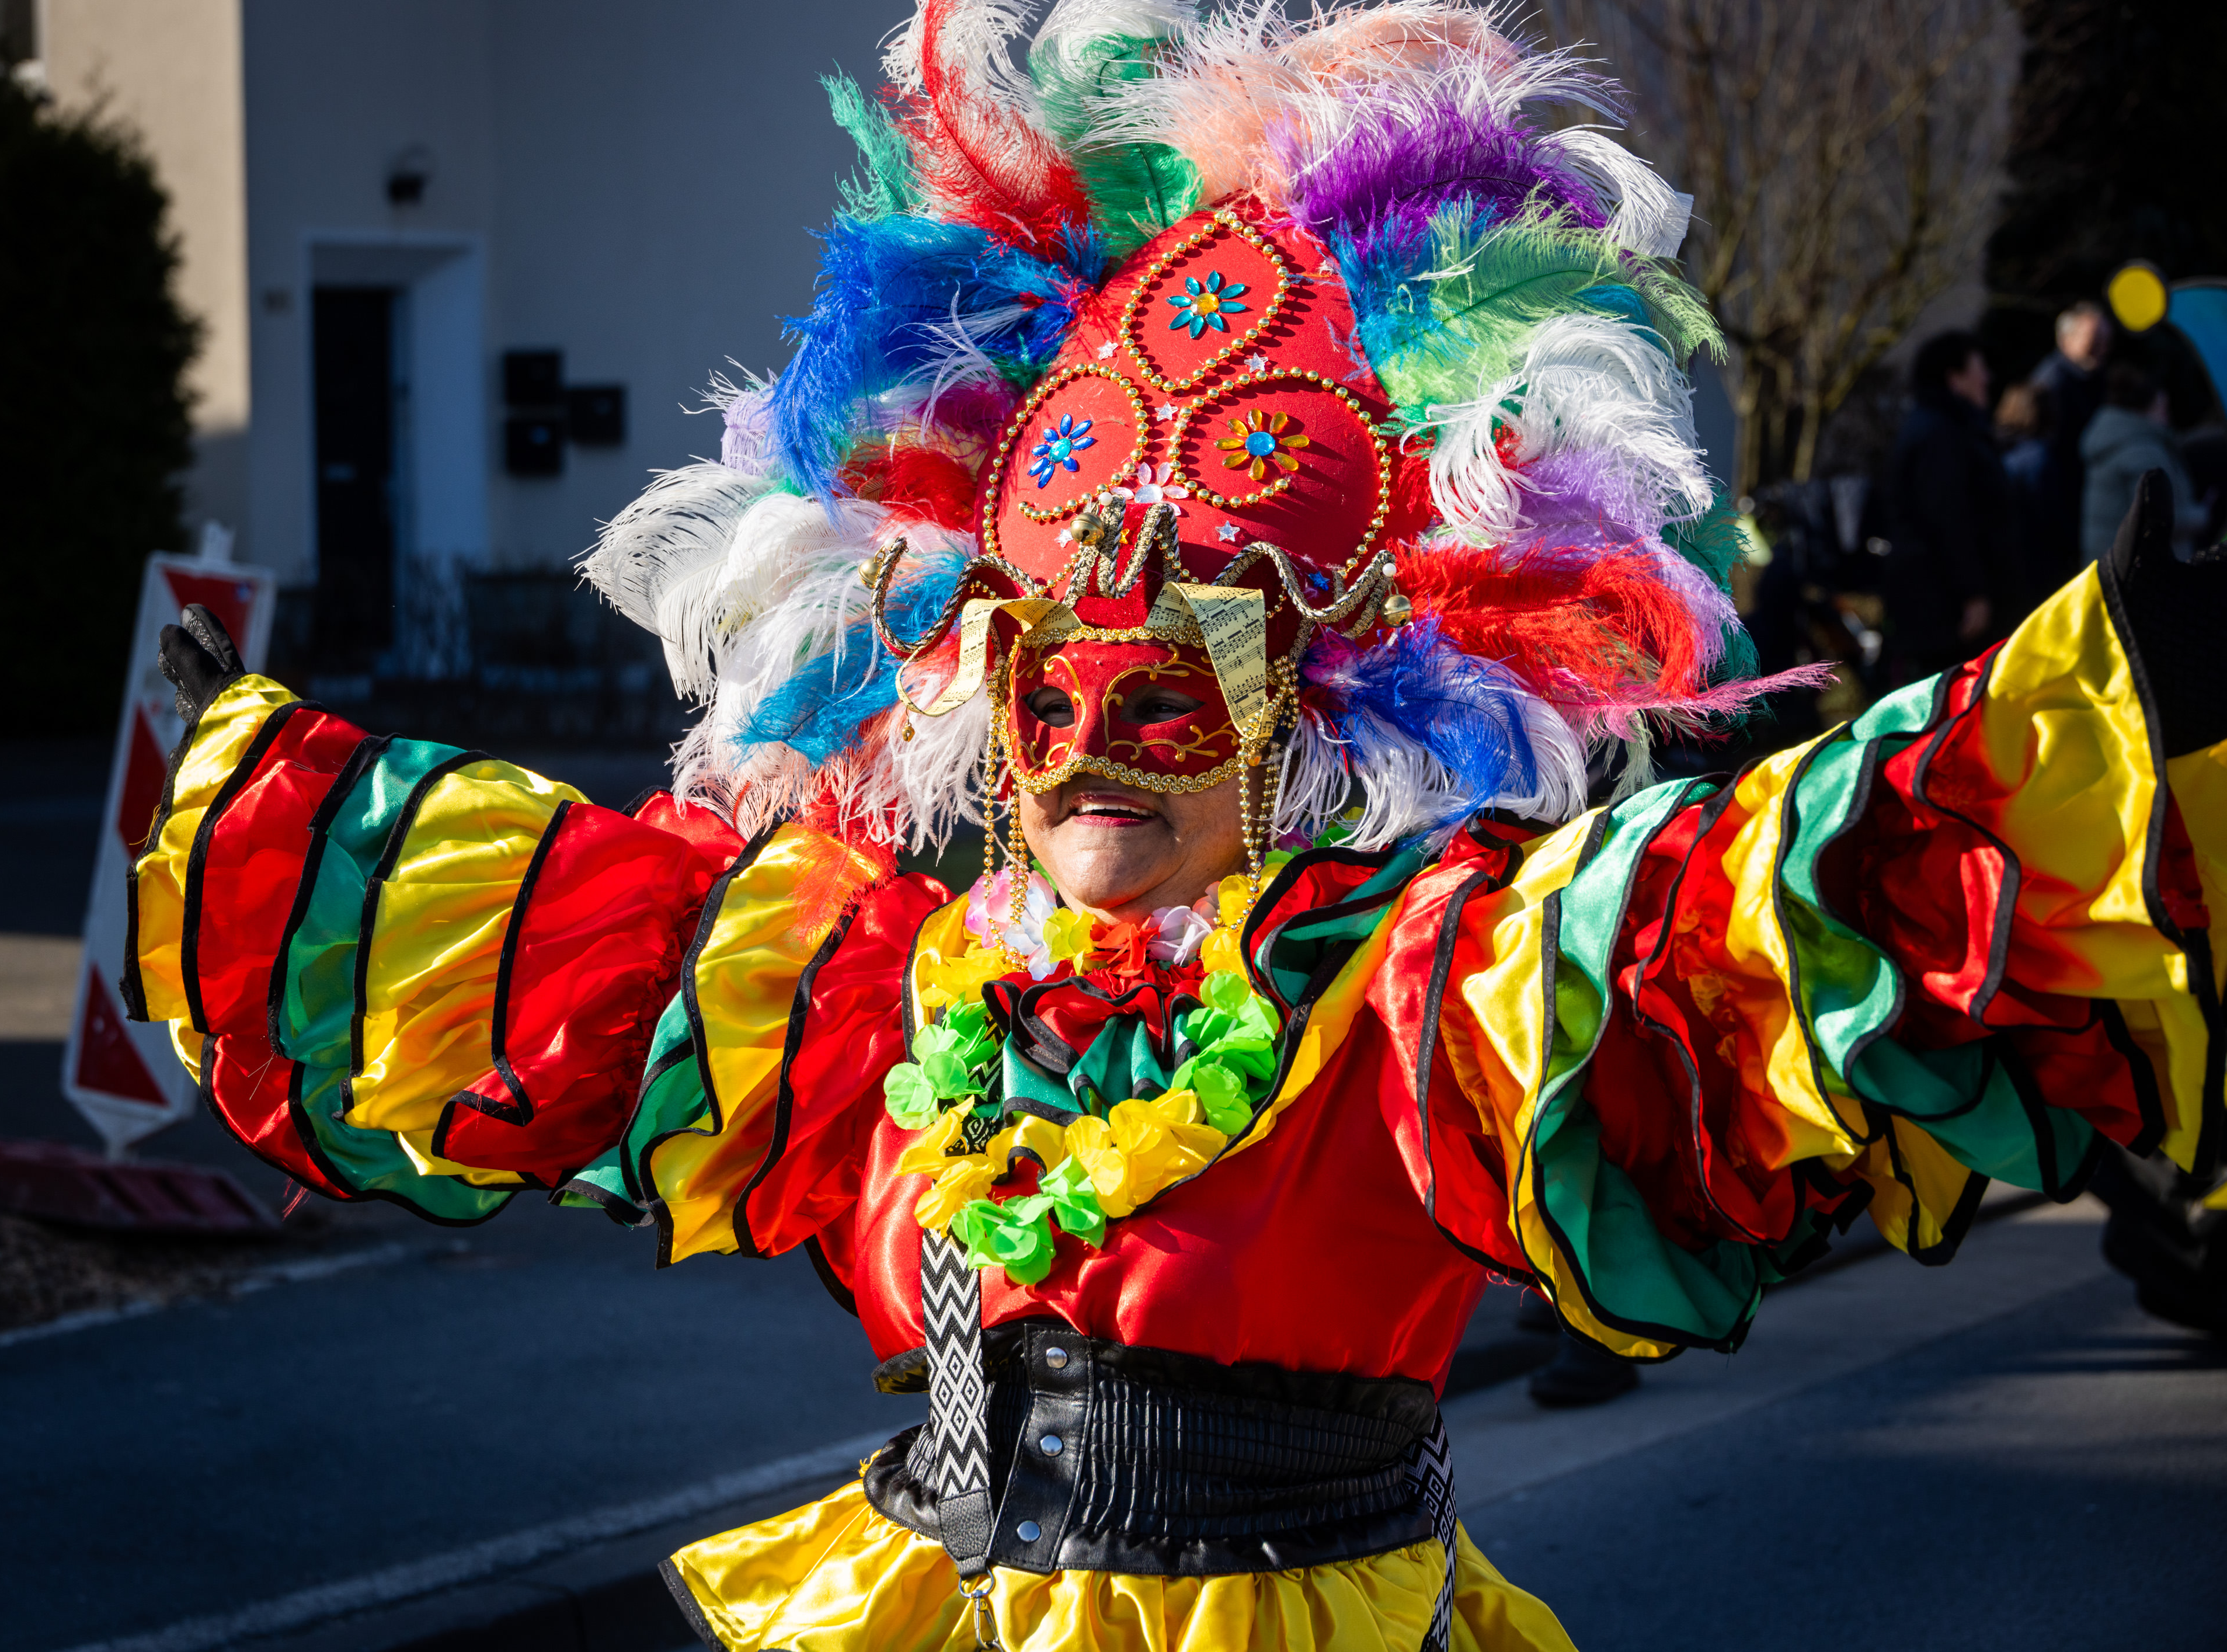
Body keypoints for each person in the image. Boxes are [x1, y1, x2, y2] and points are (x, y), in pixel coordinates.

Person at [130, 11, 2225, 1651]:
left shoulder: (1403, 996)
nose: (1086, 757)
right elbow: (574, 929)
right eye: (1042, 697)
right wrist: (250, 796)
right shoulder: (885, 992)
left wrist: (2093, 719)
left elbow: (1740, 932)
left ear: (1290, 719)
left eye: (1160, 702)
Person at [1882, 329, 2006, 683]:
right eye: (1979, 368)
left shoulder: (1936, 427)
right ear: (1955, 378)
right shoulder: (1942, 434)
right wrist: (1973, 594)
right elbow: (1950, 519)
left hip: (1936, 598)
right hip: (1944, 604)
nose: (1987, 378)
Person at [2081, 363, 2194, 564]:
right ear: (2147, 407)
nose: (2167, 417)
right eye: (2163, 408)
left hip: (2110, 564)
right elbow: (2156, 518)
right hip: (2139, 570)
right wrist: (2203, 516)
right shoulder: (2142, 451)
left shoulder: (2112, 436)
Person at [2030, 300, 2111, 555]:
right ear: (2066, 340)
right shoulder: (2052, 385)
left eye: (2106, 339)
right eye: (2094, 339)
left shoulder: (2092, 377)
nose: (2102, 347)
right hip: (2062, 507)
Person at [1995, 381, 2068, 622]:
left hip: (2006, 568)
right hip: (2037, 567)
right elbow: (2050, 521)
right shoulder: (2039, 458)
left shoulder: (1996, 450)